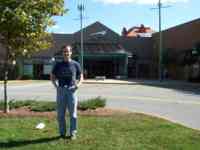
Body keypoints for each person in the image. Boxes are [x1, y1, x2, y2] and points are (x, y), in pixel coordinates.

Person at [50, 45, 82, 140]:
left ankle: (73, 133)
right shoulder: (58, 65)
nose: (66, 53)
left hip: (72, 90)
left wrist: (78, 85)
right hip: (61, 90)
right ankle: (62, 133)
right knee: (60, 114)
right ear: (62, 53)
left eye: (68, 51)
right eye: (64, 51)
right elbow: (52, 76)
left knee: (73, 114)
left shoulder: (76, 64)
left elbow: (81, 76)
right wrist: (56, 86)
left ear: (71, 53)